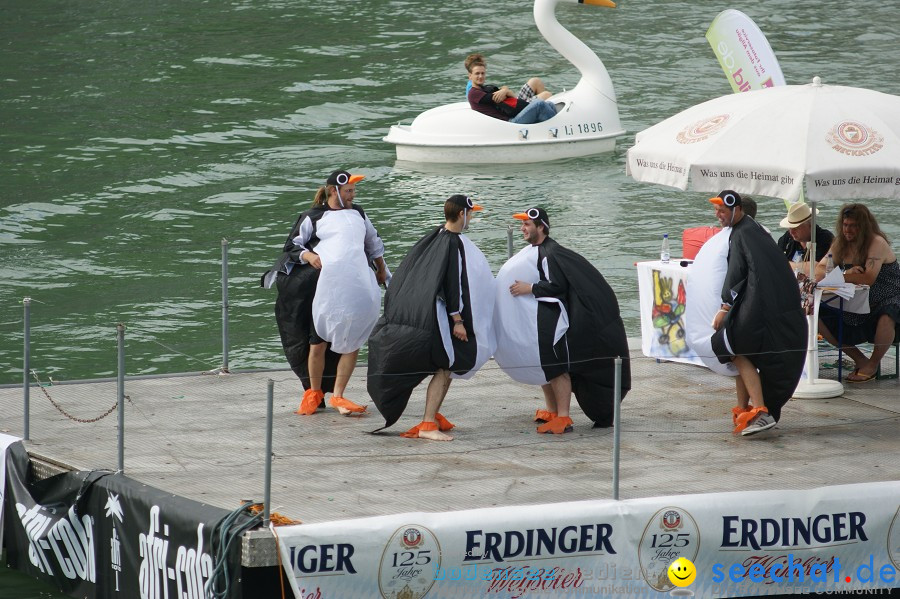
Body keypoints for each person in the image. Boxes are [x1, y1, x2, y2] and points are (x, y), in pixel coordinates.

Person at [367, 195, 496, 440]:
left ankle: (433, 416)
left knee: (446, 364)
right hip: (440, 316)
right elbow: (453, 284)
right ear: (462, 214)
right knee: (446, 365)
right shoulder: (454, 244)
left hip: (426, 313)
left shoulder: (435, 236)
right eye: (472, 213)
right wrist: (457, 320)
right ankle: (428, 424)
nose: (473, 218)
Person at [261, 169, 388, 416]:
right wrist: (308, 255)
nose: (352, 195)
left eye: (353, 191)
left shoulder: (359, 213)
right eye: (348, 191)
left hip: (355, 285)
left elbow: (373, 243)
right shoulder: (313, 216)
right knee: (317, 342)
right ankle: (313, 393)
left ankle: (339, 396)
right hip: (325, 288)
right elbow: (291, 247)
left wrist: (381, 269)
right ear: (333, 191)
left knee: (352, 343)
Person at [494, 207, 630, 434]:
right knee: (544, 365)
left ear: (541, 227)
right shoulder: (539, 250)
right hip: (542, 320)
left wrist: (531, 288)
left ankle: (564, 417)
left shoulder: (551, 253)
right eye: (522, 224)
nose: (522, 228)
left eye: (527, 224)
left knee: (556, 368)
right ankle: (553, 410)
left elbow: (558, 285)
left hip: (557, 322)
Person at [709, 190, 807, 436]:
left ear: (737, 209)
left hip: (760, 308)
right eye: (716, 210)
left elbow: (736, 274)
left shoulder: (742, 234)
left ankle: (761, 411)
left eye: (723, 211)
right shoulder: (753, 231)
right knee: (743, 354)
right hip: (768, 305)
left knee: (732, 348)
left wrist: (724, 308)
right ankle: (744, 409)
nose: (718, 215)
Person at [815, 203, 899, 383]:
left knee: (888, 312)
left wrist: (842, 276)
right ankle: (860, 359)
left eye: (853, 226)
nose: (848, 230)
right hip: (854, 299)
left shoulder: (876, 243)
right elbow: (820, 269)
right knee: (817, 314)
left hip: (886, 296)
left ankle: (873, 364)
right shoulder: (840, 244)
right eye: (845, 225)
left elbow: (868, 277)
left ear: (863, 227)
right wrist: (846, 275)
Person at [464, 53, 558, 125]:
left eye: (482, 73)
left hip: (514, 115)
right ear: (470, 76)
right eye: (477, 73)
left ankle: (549, 127)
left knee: (549, 104)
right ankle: (557, 127)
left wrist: (504, 90)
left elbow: (502, 90)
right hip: (511, 122)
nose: (480, 76)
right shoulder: (474, 93)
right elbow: (497, 97)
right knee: (539, 104)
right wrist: (505, 91)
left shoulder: (483, 88)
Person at [777, 201, 834, 271]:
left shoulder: (825, 239)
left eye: (796, 228)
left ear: (810, 225)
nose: (791, 232)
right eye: (790, 228)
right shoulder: (787, 238)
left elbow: (815, 269)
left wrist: (783, 264)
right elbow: (774, 260)